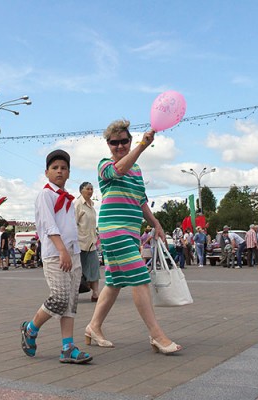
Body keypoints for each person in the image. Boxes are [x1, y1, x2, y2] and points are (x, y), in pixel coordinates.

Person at [85, 119, 181, 354]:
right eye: (114, 142)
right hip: (113, 229)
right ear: (108, 144)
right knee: (140, 277)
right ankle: (156, 335)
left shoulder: (137, 169)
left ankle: (93, 327)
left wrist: (156, 224)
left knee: (114, 283)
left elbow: (141, 200)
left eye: (124, 141)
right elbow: (119, 170)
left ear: (129, 140)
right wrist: (141, 146)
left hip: (131, 231)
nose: (119, 146)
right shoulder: (104, 165)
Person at [20, 149, 93, 364]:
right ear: (46, 172)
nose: (59, 171)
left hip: (73, 254)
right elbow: (48, 225)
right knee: (59, 298)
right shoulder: (45, 195)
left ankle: (67, 347)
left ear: (69, 173)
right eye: (55, 168)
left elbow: (71, 227)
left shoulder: (69, 199)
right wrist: (62, 250)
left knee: (70, 303)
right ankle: (31, 329)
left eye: (63, 168)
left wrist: (74, 251)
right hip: (55, 255)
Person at [75, 181, 101, 302]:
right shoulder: (77, 204)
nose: (90, 191)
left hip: (91, 243)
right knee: (77, 271)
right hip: (79, 243)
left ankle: (96, 294)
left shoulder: (92, 205)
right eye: (88, 189)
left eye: (92, 189)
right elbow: (73, 224)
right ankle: (72, 294)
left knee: (94, 266)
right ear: (81, 190)